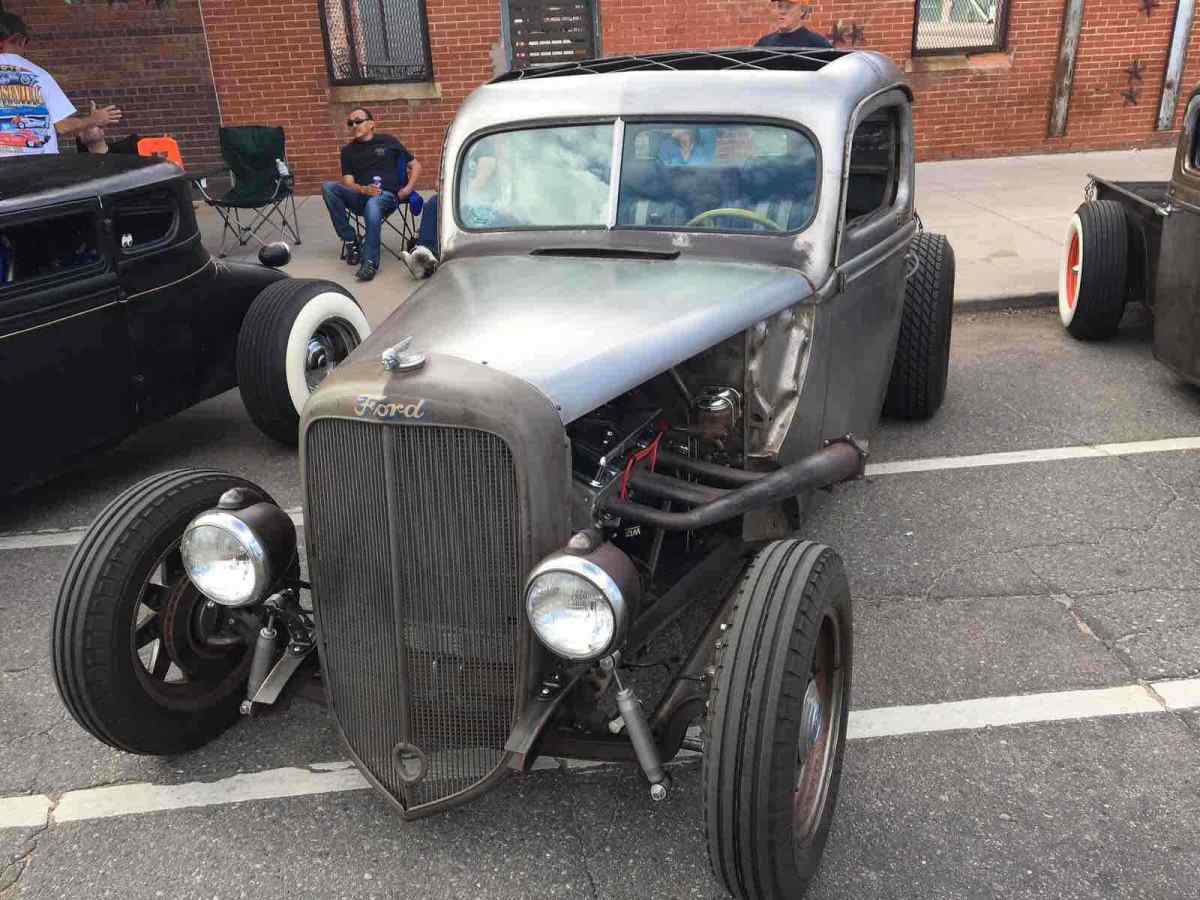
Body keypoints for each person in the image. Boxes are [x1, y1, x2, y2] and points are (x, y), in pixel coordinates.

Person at [0, 12, 121, 157]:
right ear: (20, 40)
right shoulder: (39, 75)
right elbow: (62, 126)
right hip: (38, 165)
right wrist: (94, 119)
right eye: (26, 43)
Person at [321, 107, 420, 282]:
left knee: (373, 203)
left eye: (358, 121)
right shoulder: (348, 151)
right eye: (350, 123)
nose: (354, 125)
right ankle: (351, 240)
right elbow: (348, 182)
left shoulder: (388, 141)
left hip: (386, 197)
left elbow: (416, 166)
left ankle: (370, 262)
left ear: (372, 124)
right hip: (360, 196)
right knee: (328, 187)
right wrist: (363, 189)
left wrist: (408, 189)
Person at [755, 0, 833, 48]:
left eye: (788, 7)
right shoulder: (764, 43)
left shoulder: (817, 44)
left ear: (802, 10)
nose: (782, 11)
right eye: (779, 6)